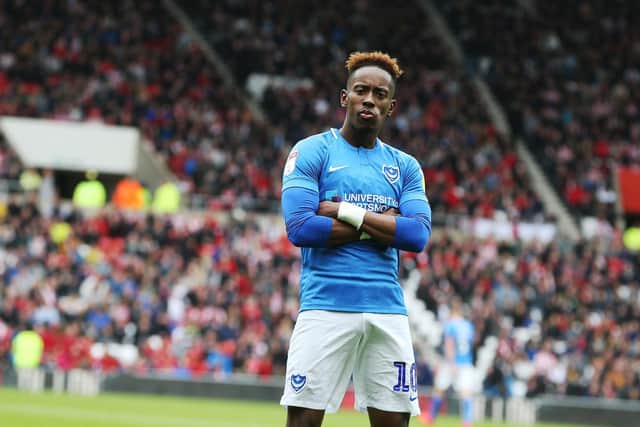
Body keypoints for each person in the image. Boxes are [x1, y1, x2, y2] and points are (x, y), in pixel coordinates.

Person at [280, 51, 432, 427]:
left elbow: (416, 235)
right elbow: (301, 228)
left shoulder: (405, 166)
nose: (369, 99)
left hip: (388, 311)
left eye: (380, 95)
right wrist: (382, 225)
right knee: (302, 421)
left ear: (391, 106)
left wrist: (345, 212)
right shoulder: (312, 151)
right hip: (325, 306)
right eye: (361, 90)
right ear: (344, 98)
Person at [425, 298, 475, 427]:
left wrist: (452, 363)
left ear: (452, 311)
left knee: (439, 389)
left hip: (451, 363)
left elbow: (449, 344)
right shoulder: (469, 325)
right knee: (466, 392)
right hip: (467, 362)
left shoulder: (451, 325)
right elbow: (471, 344)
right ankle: (467, 422)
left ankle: (431, 418)